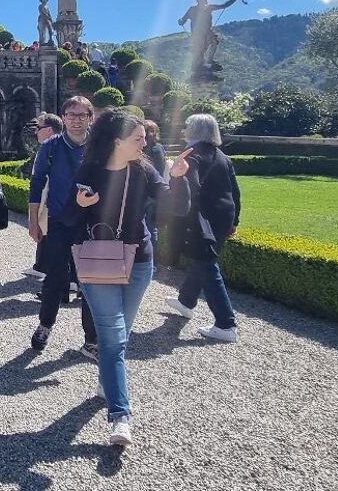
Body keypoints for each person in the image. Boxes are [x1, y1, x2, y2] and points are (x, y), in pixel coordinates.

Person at [73, 109, 190, 446]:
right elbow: (66, 216)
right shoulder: (90, 170)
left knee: (118, 336)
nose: (145, 142)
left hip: (139, 262)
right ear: (116, 142)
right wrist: (79, 203)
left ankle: (107, 381)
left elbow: (174, 208)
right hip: (98, 262)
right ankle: (120, 417)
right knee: (114, 339)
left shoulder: (144, 170)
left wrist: (179, 178)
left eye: (144, 137)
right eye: (138, 138)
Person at [29, 98, 97, 360]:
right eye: (71, 114)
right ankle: (45, 324)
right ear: (64, 117)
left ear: (90, 117)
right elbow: (37, 184)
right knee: (54, 279)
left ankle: (91, 339)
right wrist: (34, 221)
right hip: (58, 221)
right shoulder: (51, 147)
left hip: (90, 223)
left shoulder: (99, 146)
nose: (76, 119)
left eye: (82, 115)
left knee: (89, 281)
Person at [165, 114, 241, 343]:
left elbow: (190, 189)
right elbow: (235, 192)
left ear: (196, 130)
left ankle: (226, 323)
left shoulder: (192, 156)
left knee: (207, 265)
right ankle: (186, 300)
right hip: (223, 217)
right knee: (203, 260)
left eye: (187, 125)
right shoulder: (222, 157)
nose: (184, 128)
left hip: (203, 219)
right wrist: (234, 220)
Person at [22, 112, 63, 281]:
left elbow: (41, 181)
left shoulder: (53, 148)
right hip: (51, 200)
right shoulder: (53, 147)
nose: (35, 132)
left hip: (51, 201)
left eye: (38, 128)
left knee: (50, 235)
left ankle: (58, 277)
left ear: (49, 130)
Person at [142, 120, 168, 253]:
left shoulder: (143, 149)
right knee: (152, 227)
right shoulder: (159, 148)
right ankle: (154, 262)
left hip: (144, 191)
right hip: (156, 189)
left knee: (147, 227)